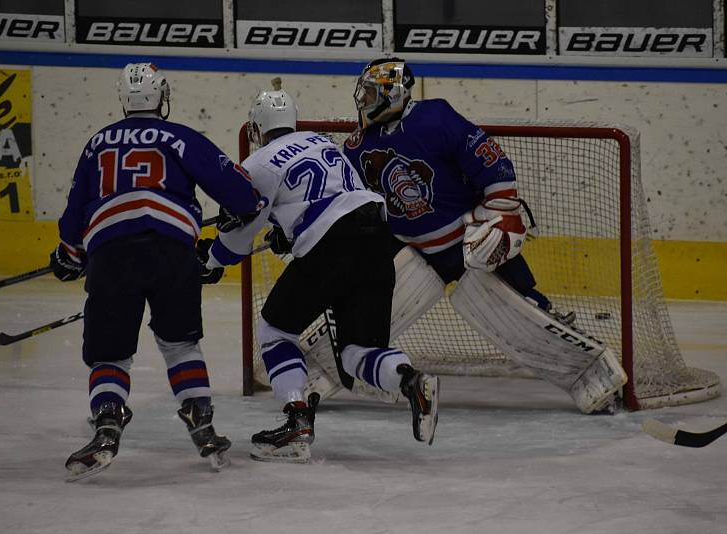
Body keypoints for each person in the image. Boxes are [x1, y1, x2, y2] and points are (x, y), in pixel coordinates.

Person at [320, 57, 627, 415]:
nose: (365, 101)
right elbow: (349, 200)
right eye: (365, 93)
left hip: (468, 240)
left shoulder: (435, 118)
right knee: (362, 313)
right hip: (408, 248)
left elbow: (491, 161)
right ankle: (323, 372)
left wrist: (502, 215)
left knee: (524, 315)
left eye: (373, 93)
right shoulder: (357, 147)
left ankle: (595, 377)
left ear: (396, 93)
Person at [196, 85, 440, 463]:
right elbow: (323, 196)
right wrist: (287, 230)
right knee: (359, 352)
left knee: (276, 332)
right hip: (378, 238)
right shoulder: (323, 143)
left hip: (332, 244)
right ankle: (411, 380)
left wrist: (210, 261)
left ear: (257, 127)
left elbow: (238, 238)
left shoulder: (258, 162)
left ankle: (296, 423)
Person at [51, 63, 262, 480]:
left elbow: (76, 211)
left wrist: (69, 255)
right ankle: (202, 422)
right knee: (180, 343)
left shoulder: (98, 142)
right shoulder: (181, 136)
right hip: (172, 252)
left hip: (111, 254)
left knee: (110, 353)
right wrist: (241, 210)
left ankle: (108, 423)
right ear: (161, 97)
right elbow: (240, 192)